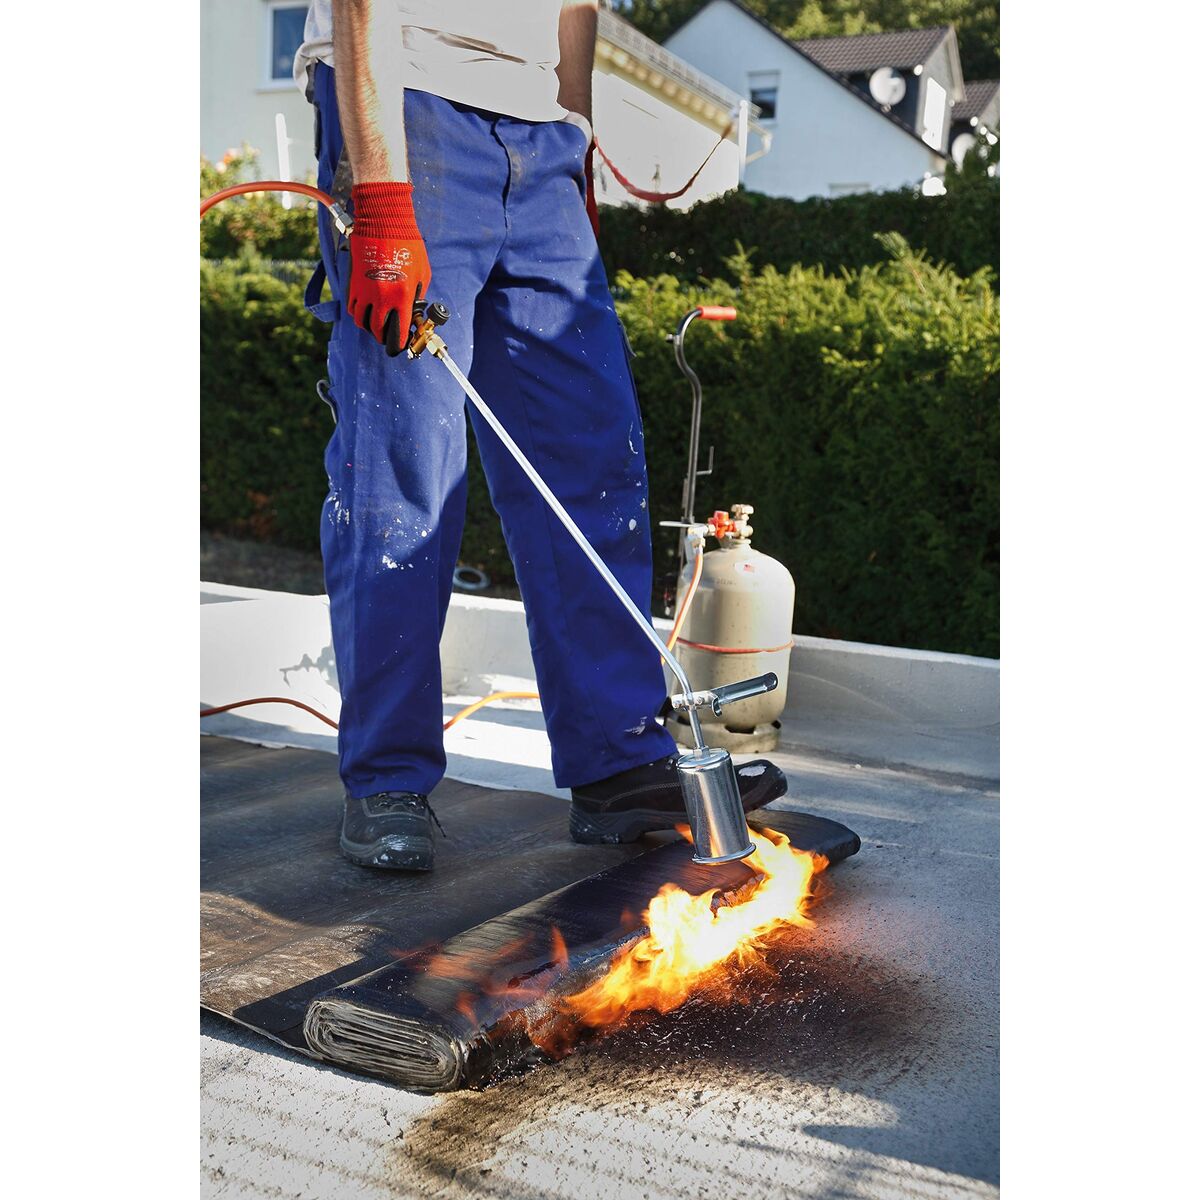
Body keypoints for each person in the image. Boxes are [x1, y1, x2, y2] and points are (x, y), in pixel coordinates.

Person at [295, 0, 785, 871]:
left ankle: (617, 760)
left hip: (543, 133)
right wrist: (379, 192)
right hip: (411, 101)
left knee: (589, 458)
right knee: (405, 471)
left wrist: (576, 132)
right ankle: (386, 777)